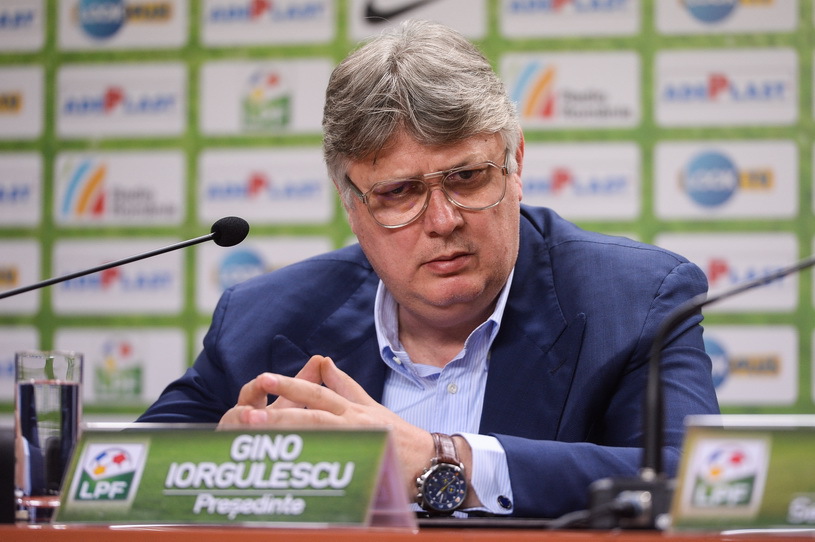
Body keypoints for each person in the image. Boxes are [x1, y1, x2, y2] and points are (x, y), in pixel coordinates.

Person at [138, 19, 720, 519]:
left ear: (515, 164)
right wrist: (215, 467)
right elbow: (126, 475)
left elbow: (694, 483)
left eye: (467, 177)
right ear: (351, 204)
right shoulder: (262, 319)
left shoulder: (636, 300)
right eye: (398, 192)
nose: (443, 221)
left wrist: (446, 461)